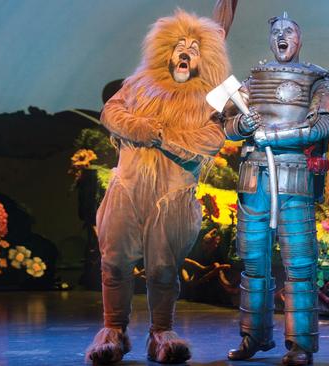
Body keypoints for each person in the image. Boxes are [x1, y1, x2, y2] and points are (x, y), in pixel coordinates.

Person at [85, 9, 230, 364]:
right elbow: (112, 113)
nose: (185, 52)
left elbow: (210, 140)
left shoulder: (212, 97)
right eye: (179, 45)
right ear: (164, 50)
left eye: (194, 48)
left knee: (165, 269)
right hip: (129, 188)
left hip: (173, 194)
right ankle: (113, 330)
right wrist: (144, 129)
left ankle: (161, 332)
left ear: (205, 57)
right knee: (115, 261)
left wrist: (162, 136)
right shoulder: (139, 84)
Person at [223, 12, 329, 366]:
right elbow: (226, 124)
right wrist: (241, 123)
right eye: (276, 31)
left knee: (300, 265)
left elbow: (323, 124)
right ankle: (253, 336)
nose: (282, 36)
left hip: (295, 180)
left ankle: (300, 345)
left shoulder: (318, 79)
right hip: (254, 180)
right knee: (254, 263)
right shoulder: (252, 79)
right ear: (270, 39)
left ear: (299, 39)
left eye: (289, 31)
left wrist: (274, 135)